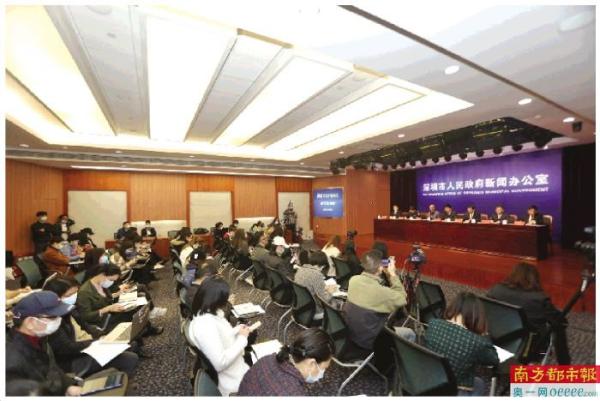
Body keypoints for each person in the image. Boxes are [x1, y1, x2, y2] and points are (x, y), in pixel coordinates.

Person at [44, 276, 139, 377]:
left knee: (130, 343)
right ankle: (116, 382)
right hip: (73, 359)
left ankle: (111, 373)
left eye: (75, 293)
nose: (74, 297)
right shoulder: (51, 320)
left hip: (88, 344)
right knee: (130, 359)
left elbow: (86, 326)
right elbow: (68, 348)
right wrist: (97, 342)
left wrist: (104, 336)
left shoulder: (70, 308)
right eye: (69, 295)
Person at [487, 263, 570, 364]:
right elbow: (560, 321)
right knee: (559, 326)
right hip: (529, 347)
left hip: (498, 339)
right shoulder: (539, 299)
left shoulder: (496, 291)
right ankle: (564, 365)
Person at [6, 291, 83, 396]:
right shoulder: (11, 360)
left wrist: (67, 386)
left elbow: (52, 369)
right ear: (30, 322)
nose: (59, 320)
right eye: (53, 317)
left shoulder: (38, 339)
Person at [424, 292, 499, 396]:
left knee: (478, 382)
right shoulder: (477, 342)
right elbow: (494, 360)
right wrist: (485, 335)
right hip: (453, 390)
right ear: (477, 316)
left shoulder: (433, 324)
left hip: (427, 381)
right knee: (480, 384)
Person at [187, 277, 251, 396]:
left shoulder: (205, 313)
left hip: (235, 369)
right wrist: (242, 339)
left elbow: (219, 338)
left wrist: (236, 330)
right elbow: (220, 363)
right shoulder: (204, 325)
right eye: (225, 299)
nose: (226, 302)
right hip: (234, 381)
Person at [345, 250, 412, 351]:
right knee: (410, 333)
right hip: (371, 341)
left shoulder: (353, 280)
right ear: (380, 268)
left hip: (351, 335)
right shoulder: (382, 293)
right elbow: (402, 298)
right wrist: (392, 274)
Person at [238, 328, 334, 396]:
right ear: (312, 363)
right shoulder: (294, 394)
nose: (322, 374)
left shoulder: (267, 359)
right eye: (324, 368)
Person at [294, 251, 337, 319]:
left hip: (299, 307)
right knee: (336, 304)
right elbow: (324, 301)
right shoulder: (317, 275)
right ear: (323, 266)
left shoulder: (300, 270)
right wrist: (331, 292)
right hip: (313, 312)